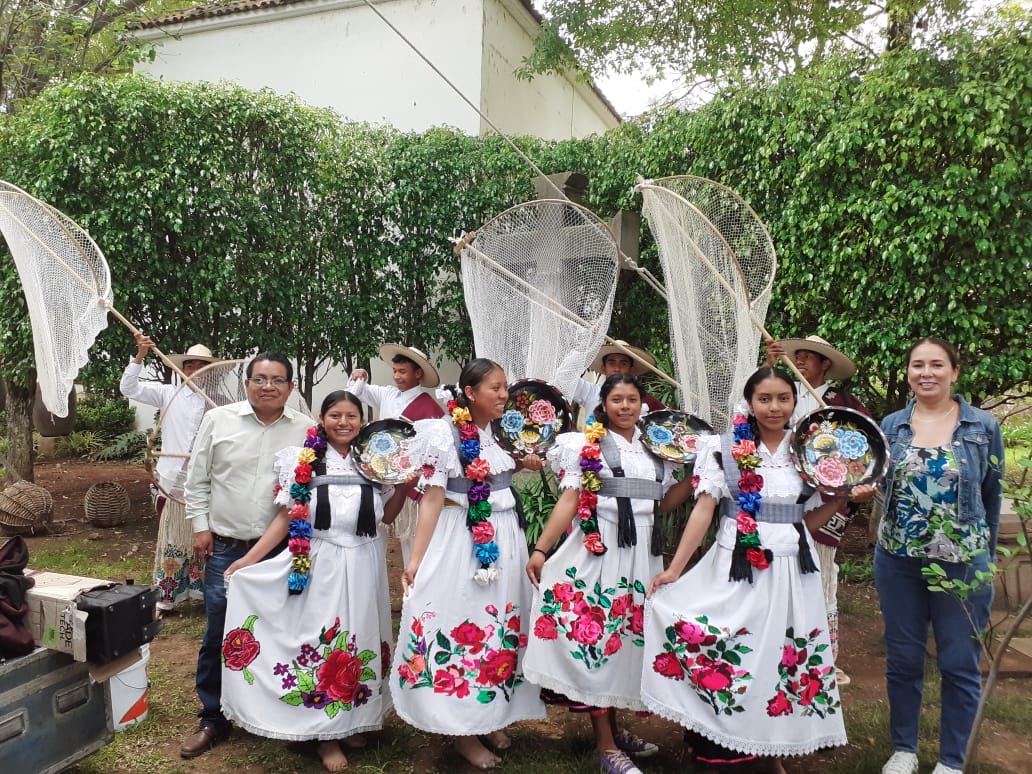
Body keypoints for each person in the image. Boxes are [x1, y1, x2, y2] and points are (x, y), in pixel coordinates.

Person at [641, 367, 874, 771]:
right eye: (764, 399)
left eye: (783, 398)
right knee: (731, 646)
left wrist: (841, 500)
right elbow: (704, 510)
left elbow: (801, 522)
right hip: (737, 568)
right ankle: (719, 733)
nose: (774, 407)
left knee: (779, 657)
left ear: (795, 402)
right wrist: (675, 569)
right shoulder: (724, 448)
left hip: (790, 573)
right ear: (750, 403)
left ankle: (770, 744)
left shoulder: (810, 451)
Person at [219, 391, 409, 772]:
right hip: (319, 562)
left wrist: (403, 483)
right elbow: (287, 518)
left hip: (364, 560)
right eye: (335, 415)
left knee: (361, 637)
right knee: (323, 638)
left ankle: (353, 719)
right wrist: (249, 558)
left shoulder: (376, 461)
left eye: (351, 416)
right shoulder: (303, 460)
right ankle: (324, 736)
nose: (344, 422)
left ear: (361, 420)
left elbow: (386, 515)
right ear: (321, 420)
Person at [524, 373, 696, 774]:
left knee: (626, 645)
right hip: (599, 557)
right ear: (603, 404)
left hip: (642, 560)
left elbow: (664, 503)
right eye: (617, 399)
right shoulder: (588, 445)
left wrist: (694, 481)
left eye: (632, 399)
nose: (625, 407)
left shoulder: (658, 449)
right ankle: (605, 748)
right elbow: (570, 499)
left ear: (642, 404)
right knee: (600, 642)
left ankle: (616, 732)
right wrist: (541, 549)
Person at [392, 358, 546, 770]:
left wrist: (522, 461)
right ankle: (460, 730)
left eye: (504, 387)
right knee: (463, 621)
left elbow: (498, 475)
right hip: (462, 540)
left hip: (504, 537)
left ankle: (489, 712)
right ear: (470, 392)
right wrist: (417, 559)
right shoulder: (443, 433)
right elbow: (432, 498)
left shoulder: (497, 434)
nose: (503, 395)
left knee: (498, 625)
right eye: (494, 388)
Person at [875, 338, 1003, 774]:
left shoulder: (982, 427)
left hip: (961, 562)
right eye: (917, 365)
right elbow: (878, 483)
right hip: (898, 559)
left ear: (954, 372)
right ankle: (904, 750)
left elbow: (992, 494)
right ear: (909, 372)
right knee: (904, 657)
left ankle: (951, 760)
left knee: (958, 661)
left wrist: (983, 557)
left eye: (936, 364)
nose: (926, 372)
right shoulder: (891, 424)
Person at [180, 352, 312, 759]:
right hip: (225, 548)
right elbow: (197, 479)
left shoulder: (307, 431)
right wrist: (201, 527)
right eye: (259, 378)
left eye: (277, 379)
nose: (267, 385)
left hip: (283, 551)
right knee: (220, 631)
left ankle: (280, 714)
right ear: (246, 383)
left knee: (283, 631)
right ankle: (213, 717)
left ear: (291, 388)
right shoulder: (219, 421)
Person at [766, 334, 871, 685]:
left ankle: (825, 657)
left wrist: (853, 486)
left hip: (826, 497)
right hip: (782, 494)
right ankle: (778, 651)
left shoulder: (844, 403)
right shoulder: (785, 393)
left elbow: (863, 448)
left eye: (810, 356)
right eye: (800, 356)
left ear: (826, 364)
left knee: (822, 572)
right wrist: (768, 365)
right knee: (778, 572)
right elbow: (752, 413)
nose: (804, 361)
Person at [119, 332, 222, 613]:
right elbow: (128, 388)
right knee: (173, 538)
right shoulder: (168, 393)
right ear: (182, 368)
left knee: (205, 537)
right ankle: (168, 597)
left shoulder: (219, 402)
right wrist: (140, 354)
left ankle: (201, 595)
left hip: (207, 481)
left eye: (203, 366)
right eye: (191, 365)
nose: (196, 371)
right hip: (172, 480)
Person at [348, 344, 444, 565]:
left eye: (402, 371)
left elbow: (436, 449)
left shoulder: (430, 408)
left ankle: (418, 582)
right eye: (395, 371)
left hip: (413, 483)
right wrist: (358, 375)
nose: (397, 376)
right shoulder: (387, 394)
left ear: (418, 373)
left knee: (417, 536)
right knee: (387, 534)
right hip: (384, 477)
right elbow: (357, 391)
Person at [571, 340, 666, 420]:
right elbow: (564, 378)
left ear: (631, 370)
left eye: (623, 364)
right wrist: (584, 341)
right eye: (612, 363)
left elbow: (670, 423)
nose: (617, 368)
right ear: (603, 368)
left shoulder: (646, 400)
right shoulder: (591, 391)